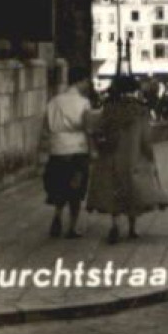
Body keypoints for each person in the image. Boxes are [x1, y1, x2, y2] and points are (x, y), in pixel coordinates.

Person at [86, 74, 168, 244]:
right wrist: (150, 155)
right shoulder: (140, 110)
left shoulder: (109, 108)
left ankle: (115, 225)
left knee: (113, 189)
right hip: (133, 156)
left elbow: (97, 129)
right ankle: (132, 228)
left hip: (111, 155)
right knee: (133, 191)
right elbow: (146, 138)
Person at [42, 65, 94, 239]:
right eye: (87, 81)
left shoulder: (54, 101)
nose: (88, 84)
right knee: (76, 190)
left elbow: (46, 126)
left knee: (59, 186)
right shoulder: (83, 103)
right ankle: (71, 227)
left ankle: (57, 215)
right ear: (81, 81)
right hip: (77, 149)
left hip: (57, 148)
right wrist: (92, 150)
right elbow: (88, 128)